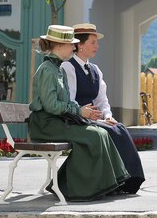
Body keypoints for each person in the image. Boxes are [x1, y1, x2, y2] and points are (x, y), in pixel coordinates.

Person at [28, 25, 130, 201]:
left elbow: (66, 101)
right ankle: (77, 189)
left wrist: (83, 112)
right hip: (46, 125)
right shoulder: (47, 69)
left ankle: (107, 183)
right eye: (70, 44)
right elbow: (52, 106)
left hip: (57, 121)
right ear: (59, 46)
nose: (73, 47)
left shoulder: (58, 69)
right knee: (94, 135)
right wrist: (79, 111)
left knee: (100, 132)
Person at [62, 22, 144, 194]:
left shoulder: (95, 70)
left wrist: (107, 115)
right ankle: (114, 182)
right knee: (109, 132)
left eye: (97, 42)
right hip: (76, 118)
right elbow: (69, 99)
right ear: (80, 45)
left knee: (118, 128)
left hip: (94, 118)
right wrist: (85, 113)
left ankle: (128, 180)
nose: (97, 46)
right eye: (93, 42)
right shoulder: (68, 67)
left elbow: (102, 100)